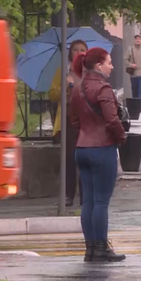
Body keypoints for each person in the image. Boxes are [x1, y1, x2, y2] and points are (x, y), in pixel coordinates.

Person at [70, 47, 127, 263]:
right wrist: (121, 137)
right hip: (102, 150)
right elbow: (112, 120)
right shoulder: (103, 89)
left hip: (82, 150)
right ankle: (102, 248)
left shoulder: (77, 89)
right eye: (109, 63)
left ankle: (90, 249)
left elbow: (75, 121)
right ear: (98, 65)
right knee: (101, 202)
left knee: (88, 202)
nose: (112, 67)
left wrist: (87, 132)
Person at [48, 40, 87, 207]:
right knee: (70, 157)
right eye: (75, 49)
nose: (79, 52)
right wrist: (64, 87)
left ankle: (85, 195)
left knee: (85, 157)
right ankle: (68, 194)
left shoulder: (89, 71)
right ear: (70, 53)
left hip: (86, 118)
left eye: (82, 49)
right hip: (68, 117)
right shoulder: (63, 71)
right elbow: (52, 95)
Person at [125, 34, 141, 99]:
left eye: (139, 39)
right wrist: (131, 65)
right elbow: (125, 59)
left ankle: (140, 103)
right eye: (136, 39)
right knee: (134, 91)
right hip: (134, 74)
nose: (138, 40)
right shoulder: (130, 49)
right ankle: (136, 104)